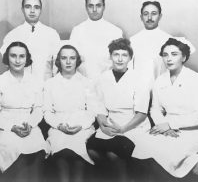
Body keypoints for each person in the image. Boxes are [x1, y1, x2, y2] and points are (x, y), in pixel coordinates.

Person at [132, 38, 198, 180]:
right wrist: (163, 125)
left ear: (184, 57)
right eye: (165, 55)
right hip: (166, 128)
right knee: (143, 144)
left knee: (168, 150)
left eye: (174, 54)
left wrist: (171, 124)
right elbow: (155, 109)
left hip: (192, 131)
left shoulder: (195, 79)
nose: (169, 59)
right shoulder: (160, 80)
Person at [86, 38, 150, 181]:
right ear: (110, 56)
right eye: (116, 54)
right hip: (111, 123)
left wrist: (122, 129)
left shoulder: (139, 79)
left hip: (133, 126)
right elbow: (100, 106)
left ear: (130, 58)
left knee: (112, 154)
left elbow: (142, 113)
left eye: (124, 55)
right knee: (92, 149)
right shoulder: (103, 78)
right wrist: (102, 124)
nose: (120, 59)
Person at [43, 44, 96, 182]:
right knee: (61, 156)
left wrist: (81, 126)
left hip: (82, 126)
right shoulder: (50, 84)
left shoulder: (87, 83)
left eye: (72, 58)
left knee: (79, 156)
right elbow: (47, 112)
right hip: (58, 127)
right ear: (58, 61)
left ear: (77, 61)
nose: (68, 62)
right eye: (64, 58)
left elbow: (91, 111)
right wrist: (59, 125)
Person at [0, 41, 48, 182]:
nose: (17, 60)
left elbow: (39, 108)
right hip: (5, 126)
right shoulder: (1, 80)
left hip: (29, 124)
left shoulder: (35, 81)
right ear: (7, 58)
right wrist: (11, 127)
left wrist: (31, 125)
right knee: (12, 146)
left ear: (27, 59)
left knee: (38, 147)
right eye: (13, 56)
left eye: (22, 56)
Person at [0, 0, 60, 81]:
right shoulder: (12, 36)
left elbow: (58, 65)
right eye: (28, 7)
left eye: (36, 7)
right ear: (22, 9)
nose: (32, 11)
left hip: (45, 87)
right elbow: (6, 65)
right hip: (20, 88)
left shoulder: (52, 34)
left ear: (41, 10)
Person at [70, 0, 123, 80]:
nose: (94, 10)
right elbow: (71, 60)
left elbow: (120, 62)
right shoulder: (77, 31)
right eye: (91, 6)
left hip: (108, 82)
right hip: (83, 83)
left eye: (98, 5)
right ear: (86, 7)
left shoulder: (115, 32)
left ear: (104, 7)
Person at [129, 1, 172, 88]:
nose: (149, 17)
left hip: (162, 89)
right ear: (141, 17)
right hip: (139, 91)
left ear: (160, 16)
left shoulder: (169, 40)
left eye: (154, 14)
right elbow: (129, 71)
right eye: (145, 14)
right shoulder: (133, 40)